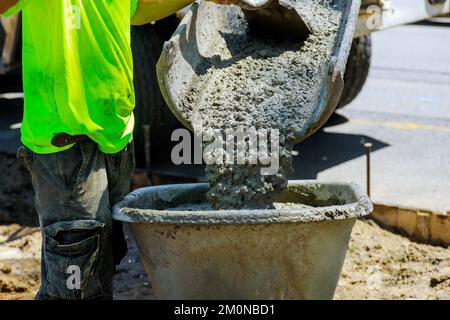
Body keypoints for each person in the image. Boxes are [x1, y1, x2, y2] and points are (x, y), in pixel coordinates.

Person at [0, 0, 237, 300]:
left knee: (98, 264)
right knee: (78, 286)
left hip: (116, 136)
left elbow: (136, 9)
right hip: (67, 142)